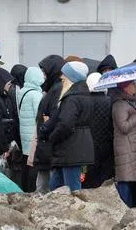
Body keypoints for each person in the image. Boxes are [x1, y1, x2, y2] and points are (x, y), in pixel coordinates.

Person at [41, 60, 94, 192]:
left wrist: (52, 137)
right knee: (56, 189)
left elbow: (65, 124)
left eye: (65, 74)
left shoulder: (72, 98)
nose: (61, 77)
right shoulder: (83, 95)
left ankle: (76, 213)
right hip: (72, 150)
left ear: (72, 78)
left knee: (72, 191)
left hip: (71, 150)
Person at [110, 80, 136, 207]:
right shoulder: (119, 104)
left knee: (134, 183)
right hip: (126, 149)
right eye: (132, 84)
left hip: (134, 148)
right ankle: (124, 209)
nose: (135, 87)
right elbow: (124, 127)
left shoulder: (130, 102)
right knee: (126, 181)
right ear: (125, 87)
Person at [32, 55, 65, 193]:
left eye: (45, 72)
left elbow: (54, 117)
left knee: (46, 188)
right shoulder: (53, 89)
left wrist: (46, 125)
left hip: (49, 146)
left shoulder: (57, 90)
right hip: (46, 146)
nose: (44, 76)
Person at [85, 72, 115, 191]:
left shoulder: (84, 102)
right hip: (106, 145)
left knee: (88, 180)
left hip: (88, 145)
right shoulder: (110, 101)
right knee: (104, 180)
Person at [17, 65, 45, 193]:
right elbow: (39, 117)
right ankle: (31, 191)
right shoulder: (35, 95)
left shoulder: (22, 92)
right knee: (33, 167)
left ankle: (24, 190)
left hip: (24, 136)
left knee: (26, 165)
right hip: (33, 136)